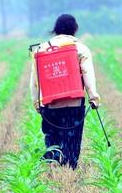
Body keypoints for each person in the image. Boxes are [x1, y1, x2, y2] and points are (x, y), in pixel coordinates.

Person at [30, 13, 101, 169]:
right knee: (72, 138)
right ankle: (69, 169)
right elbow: (88, 74)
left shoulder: (41, 49)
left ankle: (53, 166)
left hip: (50, 103)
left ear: (55, 29)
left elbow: (35, 81)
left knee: (52, 138)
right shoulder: (80, 48)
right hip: (74, 103)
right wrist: (94, 97)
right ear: (75, 29)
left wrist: (36, 102)